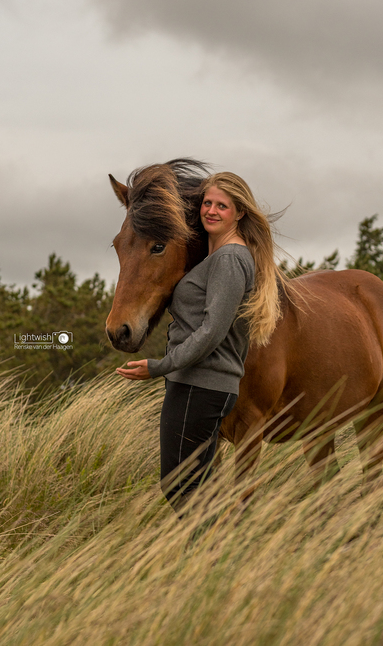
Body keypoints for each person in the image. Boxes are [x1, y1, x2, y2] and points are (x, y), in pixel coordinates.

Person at [116, 172, 282, 511]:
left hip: (203, 385)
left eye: (222, 205)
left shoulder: (230, 259)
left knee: (183, 486)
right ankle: (215, 555)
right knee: (193, 485)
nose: (211, 210)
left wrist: (159, 367)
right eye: (207, 203)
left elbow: (211, 331)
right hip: (193, 382)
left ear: (239, 213)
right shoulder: (217, 257)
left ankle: (214, 551)